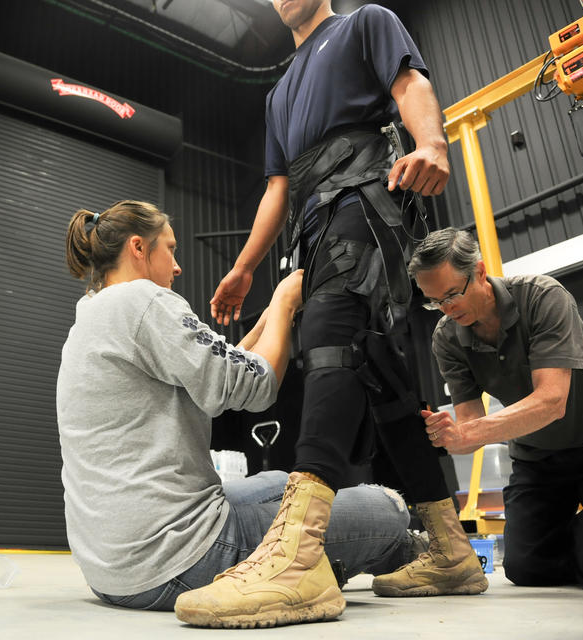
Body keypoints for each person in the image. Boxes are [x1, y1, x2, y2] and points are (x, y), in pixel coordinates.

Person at [178, 0, 487, 627]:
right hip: (312, 226)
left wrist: (431, 142)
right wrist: (243, 268)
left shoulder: (364, 22)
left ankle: (298, 553)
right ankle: (453, 549)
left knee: (328, 339)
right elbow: (277, 188)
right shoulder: (278, 92)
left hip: (365, 197)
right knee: (379, 373)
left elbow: (410, 83)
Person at [57, 200, 428, 623]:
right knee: (384, 508)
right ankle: (405, 548)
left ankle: (371, 549)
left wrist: (271, 314)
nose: (177, 267)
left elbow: (228, 364)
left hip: (112, 570)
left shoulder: (91, 315)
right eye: (171, 249)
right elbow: (253, 387)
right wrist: (287, 305)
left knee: (277, 481)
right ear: (138, 248)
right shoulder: (145, 301)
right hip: (178, 561)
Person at [409, 227, 583, 590]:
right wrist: (452, 438)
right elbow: (472, 425)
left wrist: (470, 433)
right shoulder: (446, 337)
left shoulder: (542, 296)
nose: (446, 308)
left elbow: (552, 401)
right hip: (537, 457)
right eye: (434, 302)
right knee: (526, 569)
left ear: (478, 272)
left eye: (452, 294)